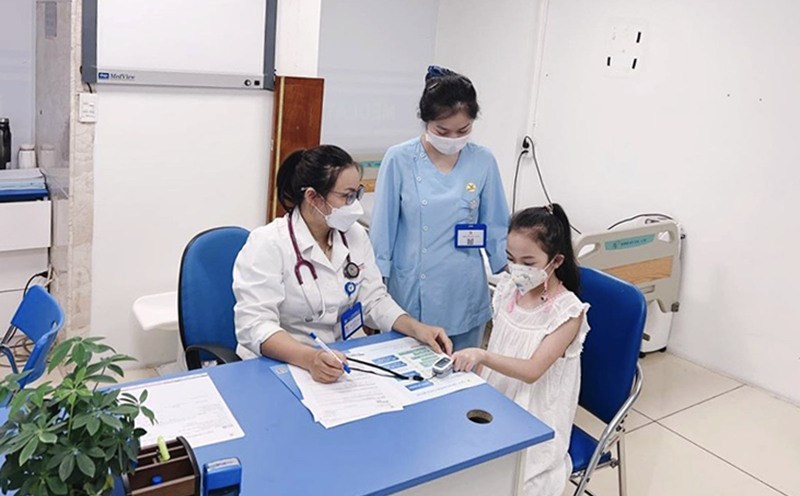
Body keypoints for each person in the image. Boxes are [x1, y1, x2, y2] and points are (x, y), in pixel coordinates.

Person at [233, 145, 452, 383]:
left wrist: (416, 328)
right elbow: (255, 325)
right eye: (346, 196)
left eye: (357, 194)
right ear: (313, 197)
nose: (355, 205)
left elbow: (374, 301)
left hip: (341, 360)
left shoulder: (354, 234)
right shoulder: (268, 243)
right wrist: (309, 359)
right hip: (283, 364)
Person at [451, 204, 590, 496]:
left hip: (536, 416)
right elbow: (500, 344)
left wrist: (482, 355)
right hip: (495, 400)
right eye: (511, 259)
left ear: (555, 261)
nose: (517, 270)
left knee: (508, 484)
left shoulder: (568, 312)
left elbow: (531, 371)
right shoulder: (507, 289)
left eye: (528, 262)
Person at [370, 65, 509, 351]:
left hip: (464, 287)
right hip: (411, 289)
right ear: (425, 122)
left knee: (462, 377)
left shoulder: (483, 160)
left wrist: (514, 272)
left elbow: (496, 225)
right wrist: (374, 291)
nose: (452, 138)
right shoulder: (400, 159)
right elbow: (382, 231)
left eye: (463, 130)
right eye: (442, 130)